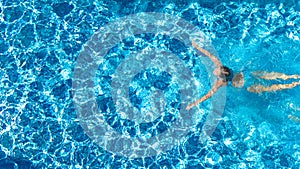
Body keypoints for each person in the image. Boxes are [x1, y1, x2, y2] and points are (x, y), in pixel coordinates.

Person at [186, 40, 300, 123]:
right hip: (248, 75)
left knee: (271, 88)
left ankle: (292, 85)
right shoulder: (220, 65)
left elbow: (208, 95)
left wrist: (193, 104)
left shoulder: (220, 82)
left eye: (215, 72)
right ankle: (293, 78)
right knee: (271, 76)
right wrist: (196, 46)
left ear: (223, 74)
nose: (214, 71)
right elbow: (210, 55)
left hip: (249, 86)